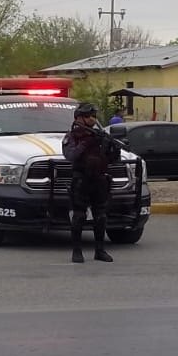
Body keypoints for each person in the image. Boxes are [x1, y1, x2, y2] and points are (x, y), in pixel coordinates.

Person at [61, 102, 119, 264]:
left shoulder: (99, 135)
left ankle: (100, 251)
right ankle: (77, 251)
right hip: (81, 179)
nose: (92, 119)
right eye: (88, 116)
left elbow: (112, 159)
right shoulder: (72, 136)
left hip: (99, 179)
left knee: (100, 216)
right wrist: (86, 143)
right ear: (79, 118)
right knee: (79, 216)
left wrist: (112, 148)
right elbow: (70, 155)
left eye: (94, 116)